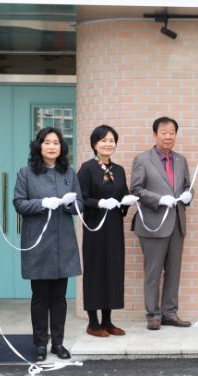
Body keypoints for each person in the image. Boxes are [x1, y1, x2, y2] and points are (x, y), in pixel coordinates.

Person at [13, 127, 83, 362]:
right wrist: (43, 203)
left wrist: (69, 203)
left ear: (61, 147)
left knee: (60, 297)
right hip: (38, 242)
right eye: (47, 142)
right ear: (39, 146)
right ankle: (41, 343)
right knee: (40, 296)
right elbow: (19, 203)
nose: (52, 146)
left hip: (63, 242)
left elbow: (80, 204)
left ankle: (58, 343)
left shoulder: (69, 173)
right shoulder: (26, 173)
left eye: (56, 143)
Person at [130, 117, 193, 330]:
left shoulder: (181, 160)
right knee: (153, 271)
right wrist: (159, 199)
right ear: (154, 134)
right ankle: (153, 315)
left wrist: (188, 195)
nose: (168, 136)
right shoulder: (142, 159)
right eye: (164, 132)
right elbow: (136, 190)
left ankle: (170, 313)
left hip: (176, 223)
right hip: (153, 223)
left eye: (172, 132)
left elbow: (187, 186)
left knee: (173, 271)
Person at [78, 125, 139, 337]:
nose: (108, 144)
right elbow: (81, 198)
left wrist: (127, 202)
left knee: (112, 270)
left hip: (114, 228)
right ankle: (93, 323)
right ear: (94, 144)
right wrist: (99, 203)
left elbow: (123, 196)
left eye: (112, 140)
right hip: (95, 228)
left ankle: (107, 320)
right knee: (95, 271)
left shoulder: (119, 170)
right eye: (103, 140)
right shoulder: (87, 169)